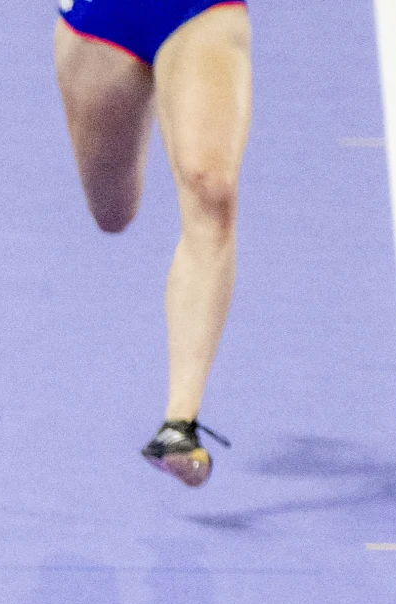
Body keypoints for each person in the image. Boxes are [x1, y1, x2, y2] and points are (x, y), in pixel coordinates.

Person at [55, 0, 252, 484]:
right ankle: (154, 81)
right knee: (112, 212)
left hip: (198, 10)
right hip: (99, 19)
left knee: (211, 187)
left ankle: (178, 424)